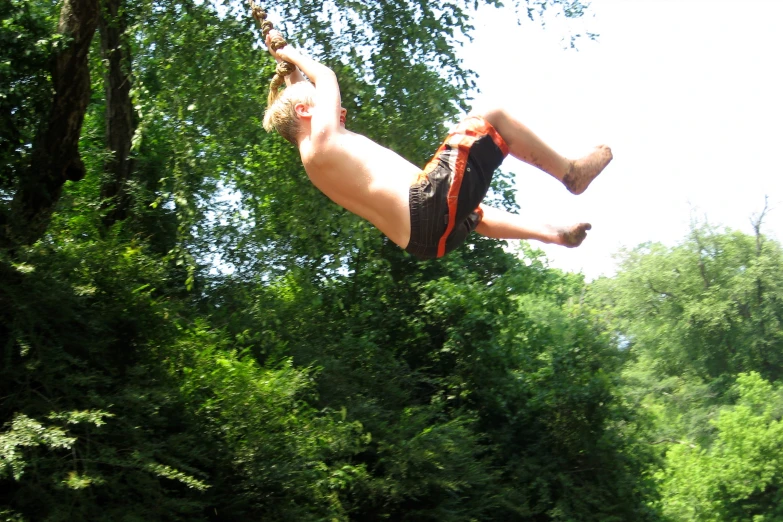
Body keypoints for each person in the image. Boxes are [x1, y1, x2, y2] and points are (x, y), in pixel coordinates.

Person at [262, 31, 613, 260]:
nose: (341, 109)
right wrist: (290, 50)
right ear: (307, 111)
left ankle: (554, 234)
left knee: (476, 213)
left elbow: (301, 97)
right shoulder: (323, 140)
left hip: (427, 242)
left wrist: (286, 65)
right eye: (327, 107)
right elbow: (325, 78)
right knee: (493, 115)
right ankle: (570, 172)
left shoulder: (317, 157)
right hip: (425, 205)